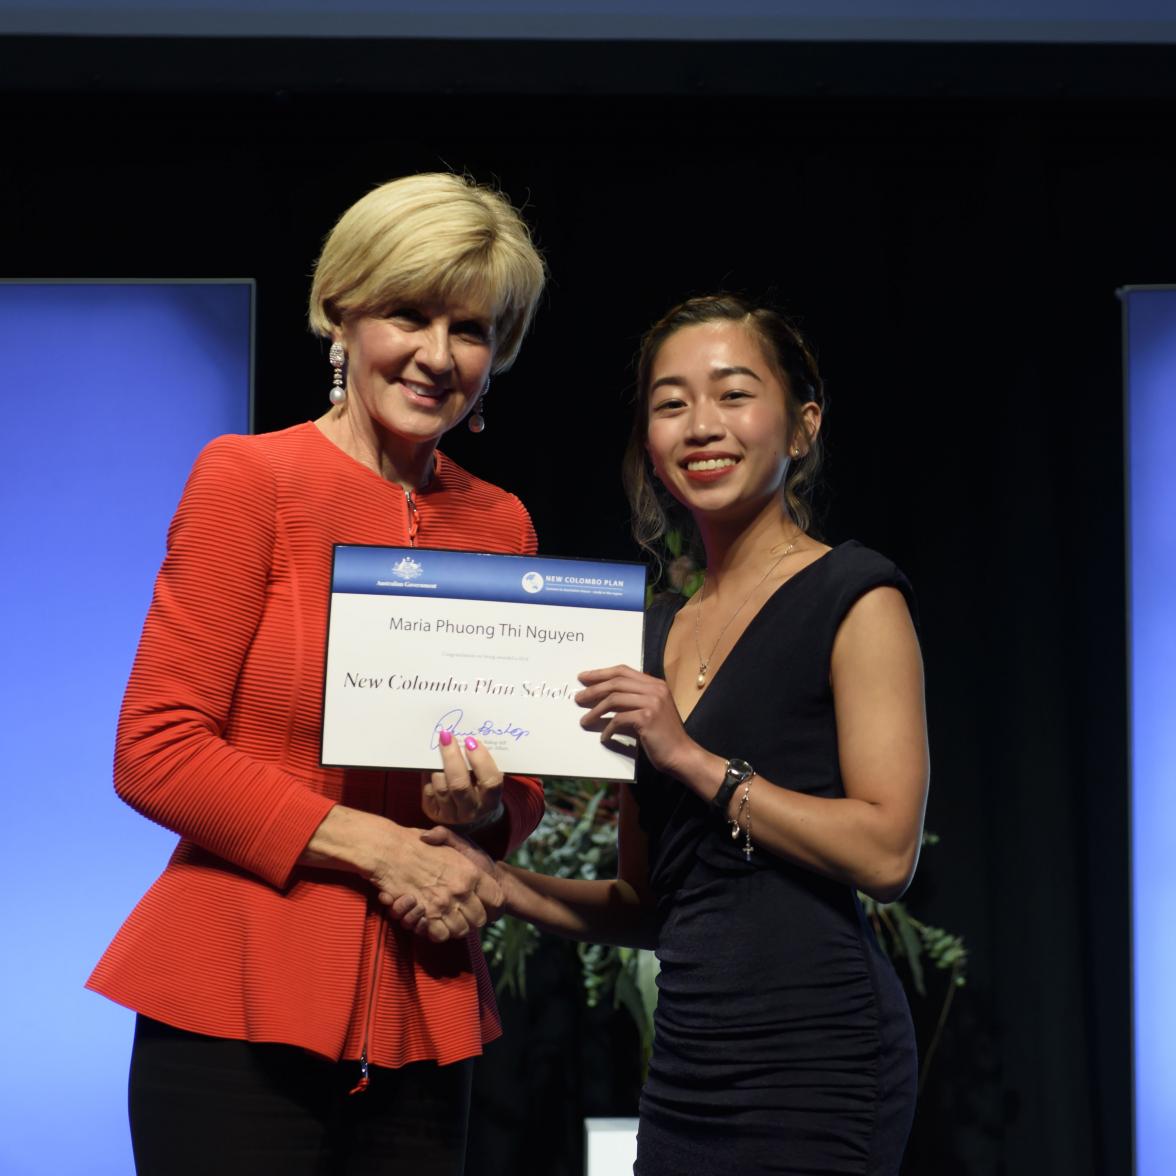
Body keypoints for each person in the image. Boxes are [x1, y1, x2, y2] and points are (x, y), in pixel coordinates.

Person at [86, 172, 548, 1176]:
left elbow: (518, 781)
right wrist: (384, 850)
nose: (436, 354)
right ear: (343, 314)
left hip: (424, 1014)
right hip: (234, 1000)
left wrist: (477, 818)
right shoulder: (248, 479)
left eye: (468, 328)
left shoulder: (502, 524)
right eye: (408, 314)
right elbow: (156, 750)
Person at [421, 293, 929, 1174]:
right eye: (671, 403)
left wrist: (693, 760)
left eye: (733, 394)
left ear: (802, 427)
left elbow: (887, 853)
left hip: (820, 1050)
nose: (702, 425)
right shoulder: (646, 635)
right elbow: (647, 904)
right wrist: (494, 882)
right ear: (651, 450)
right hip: (690, 1064)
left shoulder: (856, 595)